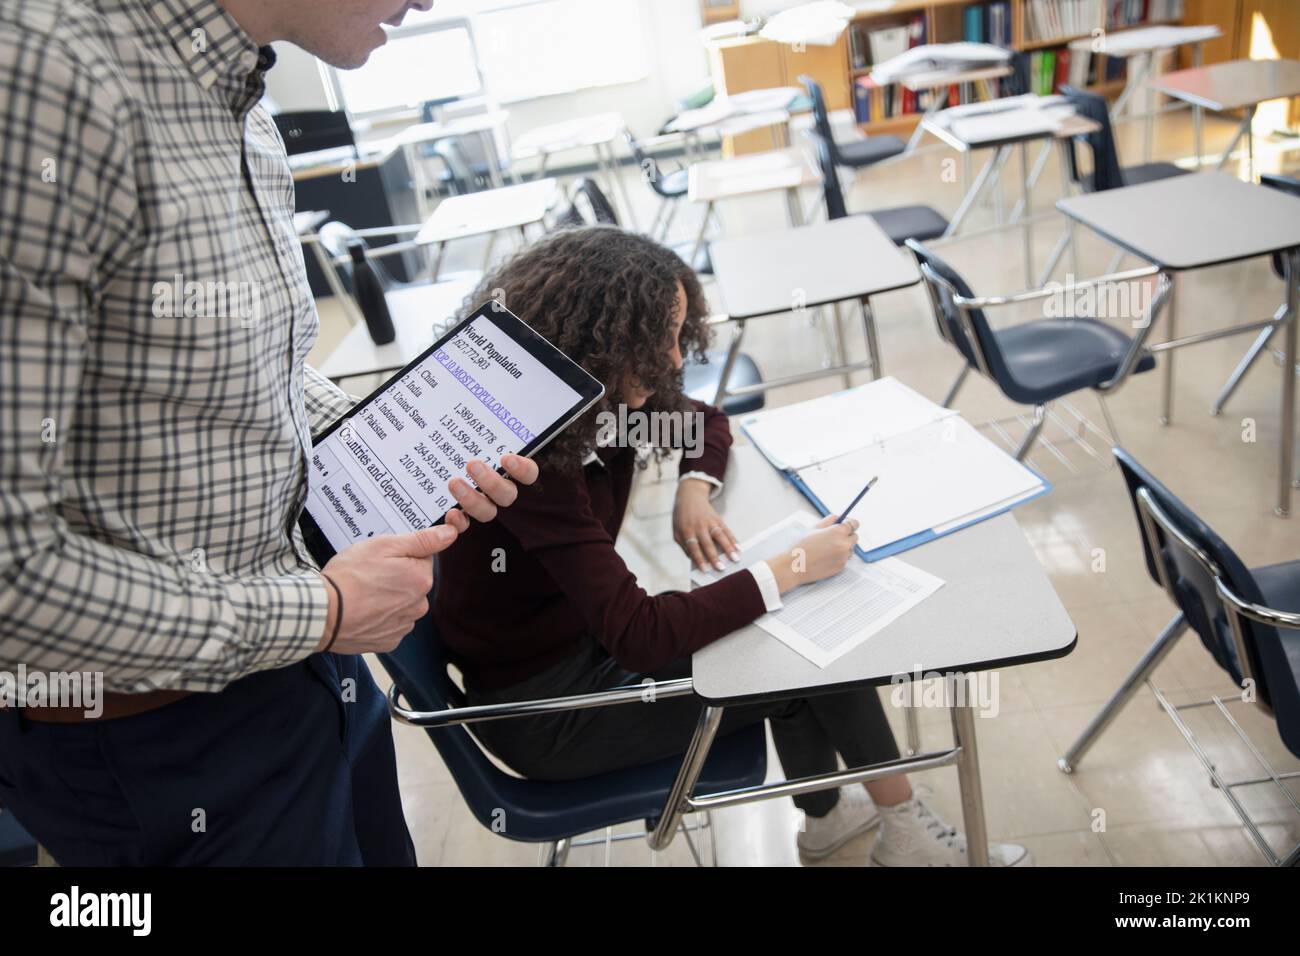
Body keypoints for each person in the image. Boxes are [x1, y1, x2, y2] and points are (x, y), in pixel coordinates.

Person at [0, 0, 537, 865]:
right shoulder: (45, 72)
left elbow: (258, 376)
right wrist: (320, 611)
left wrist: (414, 445)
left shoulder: (240, 101)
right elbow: (9, 571)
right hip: (161, 734)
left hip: (308, 666)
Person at [435, 227, 1030, 866]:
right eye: (655, 338)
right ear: (596, 340)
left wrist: (694, 485)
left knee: (789, 629)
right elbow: (642, 634)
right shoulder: (530, 464)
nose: (670, 359)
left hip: (581, 651)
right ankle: (902, 828)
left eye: (676, 333)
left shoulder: (594, 402)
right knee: (803, 642)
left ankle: (832, 819)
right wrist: (791, 566)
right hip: (553, 713)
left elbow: (705, 421)